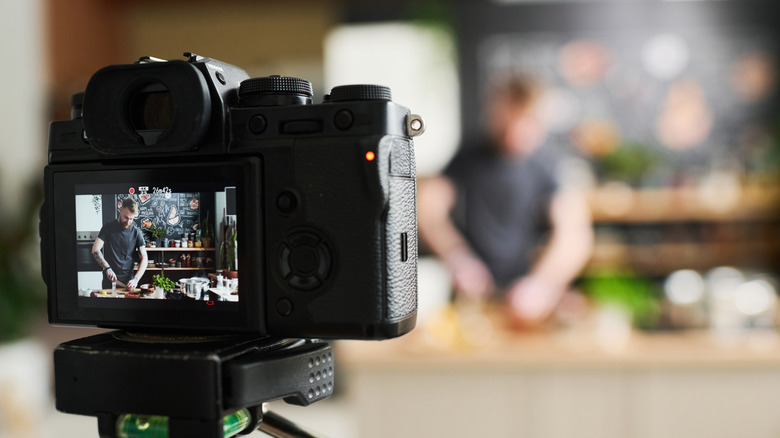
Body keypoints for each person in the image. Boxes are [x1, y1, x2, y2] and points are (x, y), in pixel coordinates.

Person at [418, 73, 593, 328]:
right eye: (506, 118)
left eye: (523, 120)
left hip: (529, 303)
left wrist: (542, 284)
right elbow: (428, 207)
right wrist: (457, 257)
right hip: (473, 298)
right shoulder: (468, 156)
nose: (513, 130)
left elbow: (575, 234)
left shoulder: (547, 165)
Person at [92, 198, 149, 291]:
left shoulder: (136, 232)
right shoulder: (108, 227)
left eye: (131, 218)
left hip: (128, 284)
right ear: (120, 210)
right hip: (109, 282)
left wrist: (136, 279)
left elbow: (144, 258)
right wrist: (107, 268)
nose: (128, 221)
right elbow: (95, 250)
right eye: (126, 217)